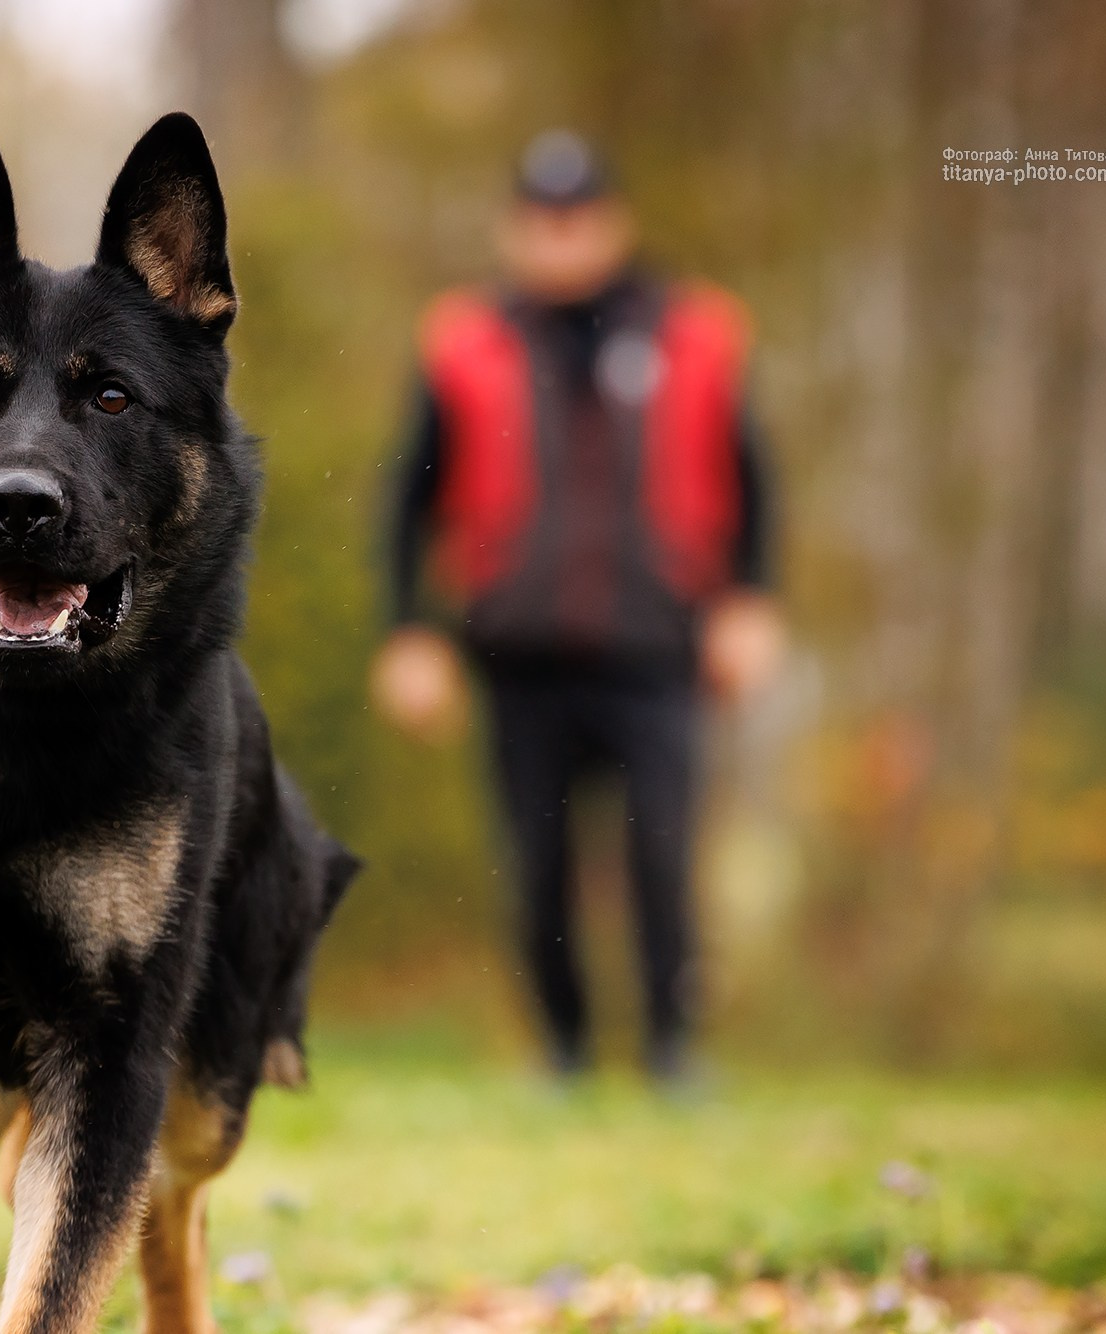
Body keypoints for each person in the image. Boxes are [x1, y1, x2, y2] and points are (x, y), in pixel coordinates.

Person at [370, 130, 784, 1082]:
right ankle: (563, 1052)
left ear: (614, 222)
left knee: (665, 857)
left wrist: (751, 600)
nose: (561, 238)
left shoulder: (695, 332)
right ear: (515, 228)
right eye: (541, 219)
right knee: (539, 867)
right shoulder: (465, 342)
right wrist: (409, 631)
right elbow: (408, 497)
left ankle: (675, 1054)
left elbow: (754, 481)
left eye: (579, 217)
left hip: (659, 645)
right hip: (521, 651)